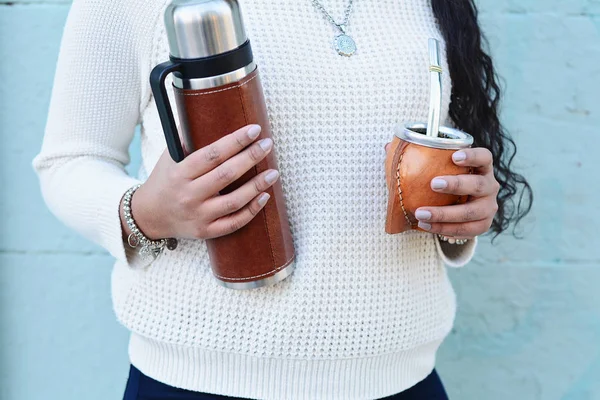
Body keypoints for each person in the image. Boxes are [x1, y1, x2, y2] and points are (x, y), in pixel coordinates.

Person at [33, 0, 532, 399]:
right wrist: (145, 213)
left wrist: (461, 210)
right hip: (202, 385)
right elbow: (70, 161)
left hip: (403, 379)